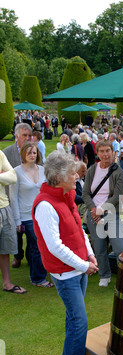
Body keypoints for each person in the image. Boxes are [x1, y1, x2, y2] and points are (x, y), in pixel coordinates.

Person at [32, 151, 98, 355]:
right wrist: (83, 265)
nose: (76, 176)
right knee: (79, 321)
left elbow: (79, 231)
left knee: (75, 320)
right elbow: (55, 247)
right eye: (72, 173)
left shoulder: (67, 196)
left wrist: (89, 254)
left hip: (78, 269)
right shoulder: (46, 205)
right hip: (65, 273)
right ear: (59, 177)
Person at [82, 141, 123, 287]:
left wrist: (101, 209)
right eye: (101, 151)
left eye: (108, 150)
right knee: (99, 247)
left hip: (111, 213)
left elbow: (117, 195)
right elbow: (85, 193)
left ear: (113, 152)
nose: (105, 154)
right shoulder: (92, 170)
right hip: (93, 214)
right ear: (97, 152)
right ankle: (104, 275)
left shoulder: (118, 171)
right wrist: (93, 210)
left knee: (120, 247)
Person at [10, 142, 52, 288]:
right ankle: (38, 279)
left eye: (34, 152)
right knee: (38, 244)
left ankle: (40, 272)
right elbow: (13, 198)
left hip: (43, 213)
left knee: (38, 246)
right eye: (29, 153)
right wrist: (17, 220)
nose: (32, 155)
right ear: (23, 154)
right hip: (26, 216)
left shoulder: (42, 170)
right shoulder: (16, 172)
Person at [3, 123, 33, 269]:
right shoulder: (7, 153)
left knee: (32, 231)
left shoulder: (35, 151)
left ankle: (29, 256)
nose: (27, 139)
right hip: (11, 197)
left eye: (29, 136)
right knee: (16, 230)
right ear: (16, 137)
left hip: (29, 198)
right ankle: (18, 255)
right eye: (24, 136)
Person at [0, 150, 27, 294]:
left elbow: (12, 177)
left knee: (4, 249)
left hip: (4, 207)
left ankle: (7, 283)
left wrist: (3, 176)